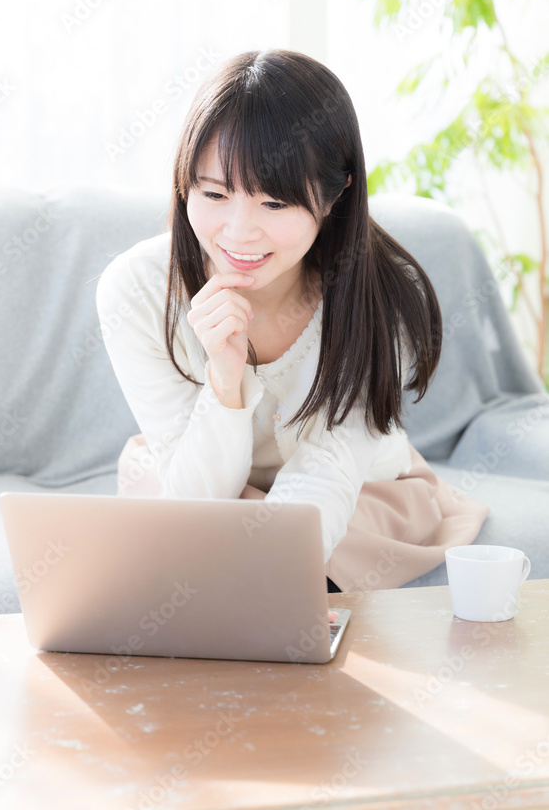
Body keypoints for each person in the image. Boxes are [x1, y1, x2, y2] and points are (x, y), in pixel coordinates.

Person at [96, 48, 489, 594]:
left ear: (336, 193)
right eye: (213, 194)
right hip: (197, 480)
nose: (238, 232)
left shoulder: (384, 296)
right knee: (181, 524)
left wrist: (263, 566)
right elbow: (196, 495)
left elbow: (326, 474)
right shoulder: (136, 289)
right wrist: (225, 380)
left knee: (267, 557)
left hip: (354, 491)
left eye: (274, 204)